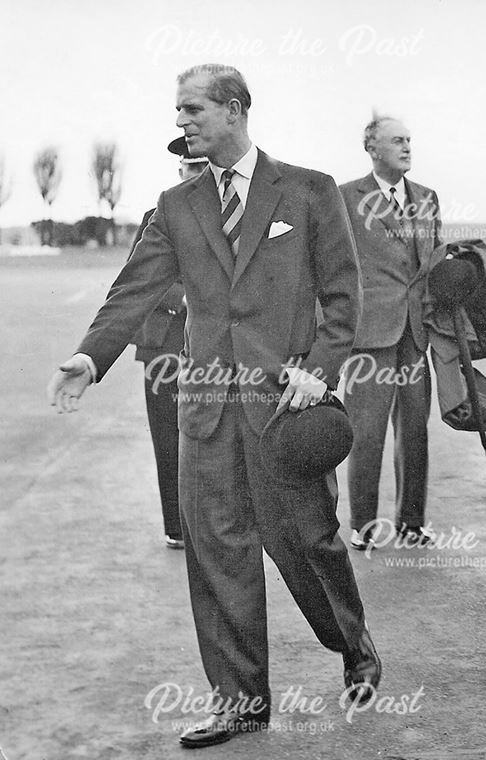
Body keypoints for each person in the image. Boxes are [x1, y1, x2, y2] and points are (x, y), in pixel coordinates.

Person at [46, 64, 379, 748]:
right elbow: (133, 289)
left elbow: (344, 299)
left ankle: (354, 645)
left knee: (307, 544)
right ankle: (241, 702)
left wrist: (320, 372)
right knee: (218, 555)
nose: (182, 122)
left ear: (233, 110)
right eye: (178, 111)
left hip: (285, 406)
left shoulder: (309, 191)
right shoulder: (178, 206)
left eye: (193, 109)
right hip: (204, 410)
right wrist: (90, 355)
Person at [339, 116, 441, 550]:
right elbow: (332, 268)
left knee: (415, 431)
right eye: (398, 140)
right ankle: (363, 525)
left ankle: (412, 524)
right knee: (366, 432)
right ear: (372, 148)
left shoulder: (427, 198)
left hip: (416, 333)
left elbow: (436, 261)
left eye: (410, 140)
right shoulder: (345, 198)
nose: (407, 147)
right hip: (369, 334)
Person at [131, 136, 207, 550]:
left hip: (212, 345)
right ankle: (176, 526)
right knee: (167, 436)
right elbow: (139, 281)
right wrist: (189, 299)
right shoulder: (153, 217)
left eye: (202, 167)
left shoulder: (226, 215)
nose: (195, 174)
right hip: (163, 343)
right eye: (189, 168)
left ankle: (208, 524)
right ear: (179, 170)